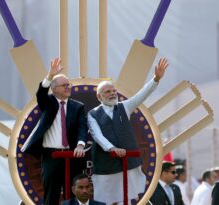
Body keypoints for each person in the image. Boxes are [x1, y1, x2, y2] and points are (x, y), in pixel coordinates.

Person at [87, 58, 169, 205]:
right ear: (99, 96)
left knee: (131, 196)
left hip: (129, 163)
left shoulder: (125, 106)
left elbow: (141, 95)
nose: (112, 94)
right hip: (106, 165)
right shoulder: (92, 114)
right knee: (107, 200)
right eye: (107, 92)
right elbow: (97, 135)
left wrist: (156, 79)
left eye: (113, 91)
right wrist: (112, 148)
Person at [21, 57, 88, 205]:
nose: (68, 87)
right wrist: (50, 76)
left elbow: (82, 128)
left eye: (69, 85)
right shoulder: (48, 102)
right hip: (51, 157)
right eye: (65, 85)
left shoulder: (78, 107)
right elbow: (41, 94)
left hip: (73, 157)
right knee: (51, 196)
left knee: (73, 198)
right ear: (55, 89)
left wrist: (81, 145)